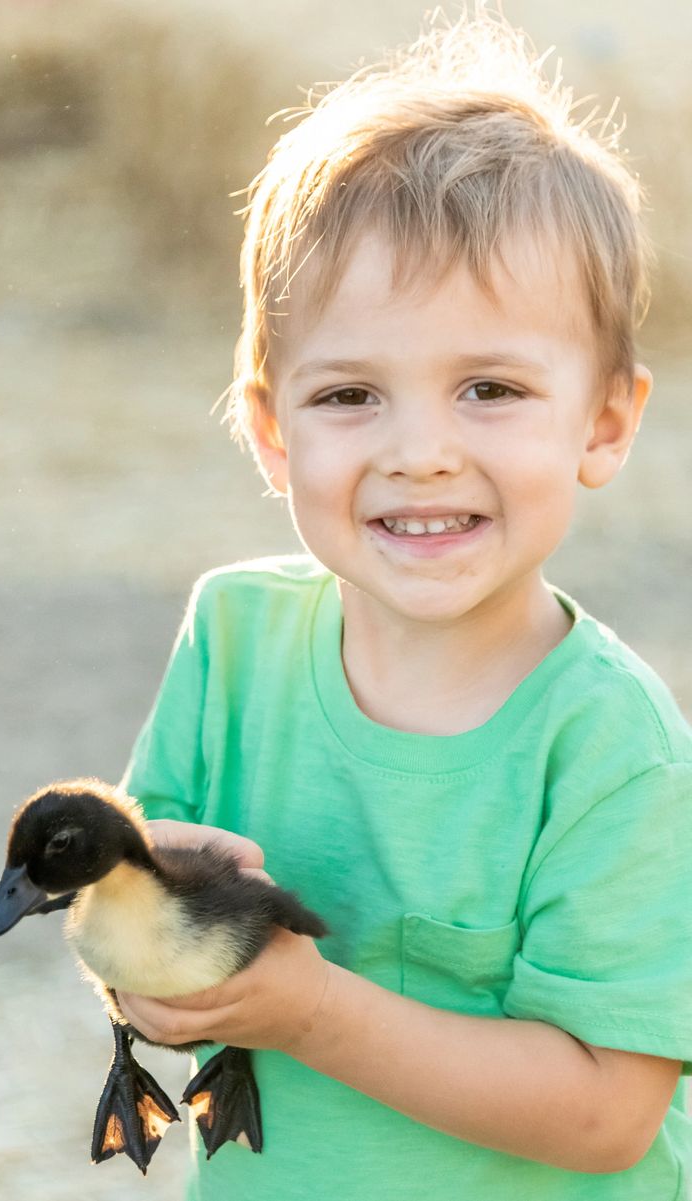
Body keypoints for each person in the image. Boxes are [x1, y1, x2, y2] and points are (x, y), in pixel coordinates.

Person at [116, 11, 692, 1200]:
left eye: (489, 388)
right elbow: (135, 947)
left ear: (602, 424)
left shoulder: (608, 748)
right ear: (272, 430)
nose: (419, 451)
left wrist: (310, 1010)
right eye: (349, 395)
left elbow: (606, 1115)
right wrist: (155, 933)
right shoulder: (233, 643)